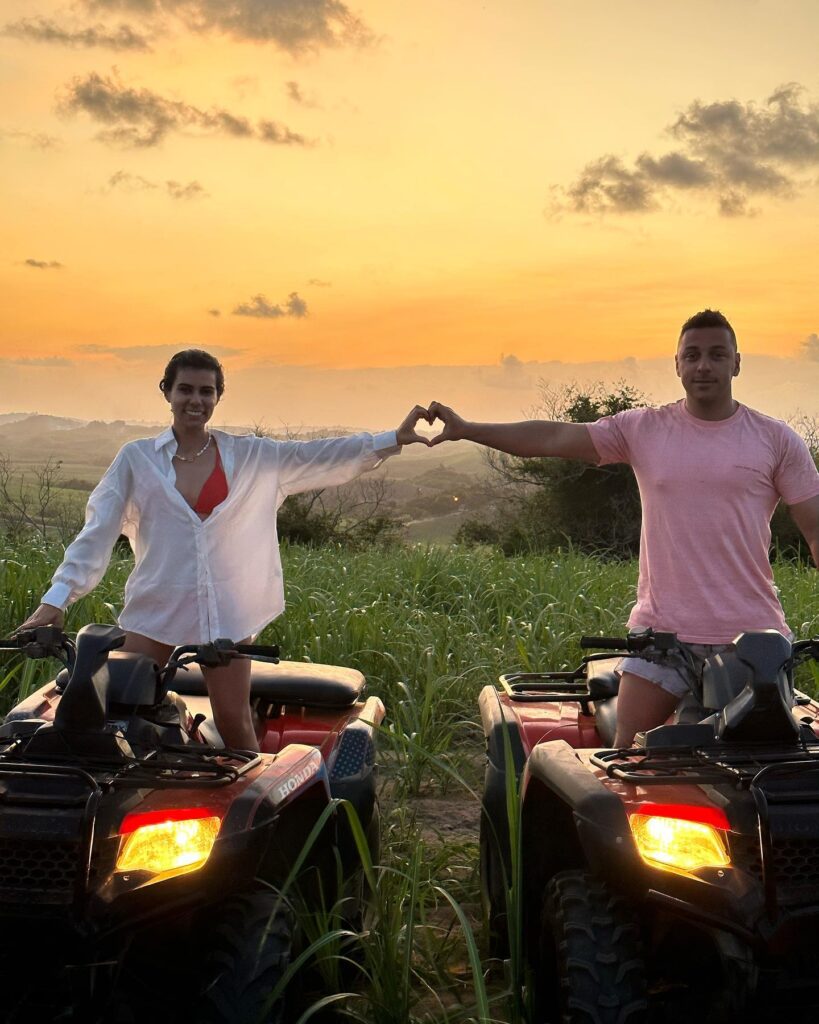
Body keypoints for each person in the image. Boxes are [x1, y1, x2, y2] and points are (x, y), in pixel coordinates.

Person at [428, 309, 819, 747]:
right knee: (627, 767)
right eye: (692, 356)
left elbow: (816, 532)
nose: (703, 366)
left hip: (753, 640)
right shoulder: (644, 428)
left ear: (737, 363)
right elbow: (555, 439)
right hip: (663, 639)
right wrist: (467, 429)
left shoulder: (776, 439)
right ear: (677, 364)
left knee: (766, 770)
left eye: (716, 355)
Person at [17, 349, 432, 752]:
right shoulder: (136, 459)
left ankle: (255, 810)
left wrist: (393, 438)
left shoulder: (250, 455)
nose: (195, 400)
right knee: (121, 710)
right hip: (157, 607)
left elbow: (317, 456)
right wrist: (56, 599)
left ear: (217, 397)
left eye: (206, 391)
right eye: (185, 390)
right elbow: (97, 530)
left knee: (234, 723)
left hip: (228, 614)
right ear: (167, 392)